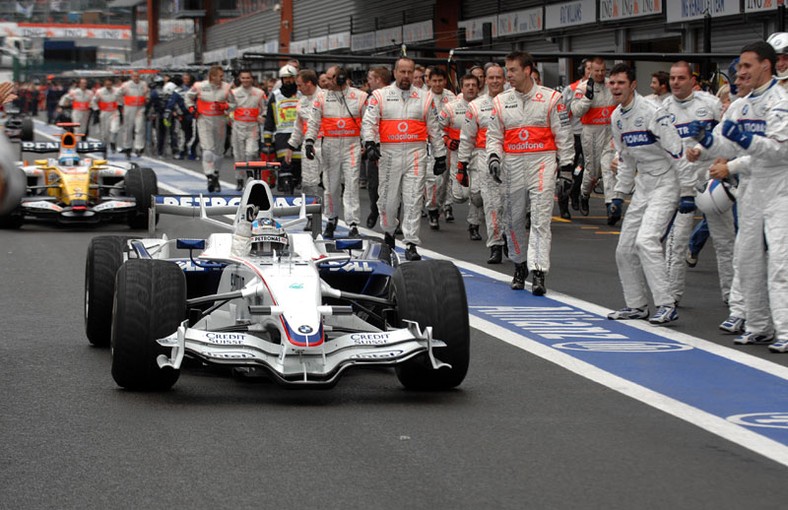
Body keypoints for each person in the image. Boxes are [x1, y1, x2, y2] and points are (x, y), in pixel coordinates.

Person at [686, 41, 788, 350]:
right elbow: (725, 144)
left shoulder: (780, 102)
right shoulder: (742, 105)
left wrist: (745, 138)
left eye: (746, 66)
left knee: (781, 262)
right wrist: (703, 145)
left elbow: (781, 150)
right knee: (746, 259)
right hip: (751, 187)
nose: (740, 72)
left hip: (781, 187)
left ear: (766, 66)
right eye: (740, 67)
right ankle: (758, 326)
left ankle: (785, 329)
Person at [487, 51, 574, 294]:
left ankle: (538, 272)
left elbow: (564, 136)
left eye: (513, 70)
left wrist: (566, 169)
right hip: (512, 163)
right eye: (507, 71)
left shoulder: (552, 99)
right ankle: (519, 265)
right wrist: (493, 158)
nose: (508, 76)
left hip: (542, 162)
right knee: (512, 220)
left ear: (527, 70)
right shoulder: (501, 101)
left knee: (540, 219)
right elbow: (494, 136)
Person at [606, 63, 687, 324]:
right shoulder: (617, 117)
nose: (615, 87)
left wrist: (686, 190)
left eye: (621, 83)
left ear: (632, 85)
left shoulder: (653, 112)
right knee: (624, 249)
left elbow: (677, 151)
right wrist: (618, 195)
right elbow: (626, 159)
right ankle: (637, 306)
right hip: (643, 186)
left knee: (646, 241)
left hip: (667, 181)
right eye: (612, 83)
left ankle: (666, 303)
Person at [361, 57, 447, 261]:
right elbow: (369, 122)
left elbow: (434, 129)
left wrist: (440, 155)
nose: (406, 76)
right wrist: (370, 144)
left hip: (416, 154)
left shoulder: (425, 97)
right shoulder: (380, 96)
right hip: (389, 154)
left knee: (413, 199)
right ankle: (389, 233)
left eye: (410, 72)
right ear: (395, 72)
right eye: (402, 72)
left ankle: (410, 243)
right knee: (388, 201)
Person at [660, 61, 724, 308]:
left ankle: (732, 299)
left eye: (680, 78)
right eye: (673, 78)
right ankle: (671, 296)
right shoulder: (663, 109)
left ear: (692, 81)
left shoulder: (710, 104)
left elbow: (723, 136)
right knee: (677, 242)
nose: (675, 82)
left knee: (724, 241)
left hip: (711, 177)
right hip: (681, 182)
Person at [304, 65, 368, 238]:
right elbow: (313, 122)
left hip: (352, 145)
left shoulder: (360, 97)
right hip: (330, 146)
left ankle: (353, 224)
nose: (327, 82)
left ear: (341, 79)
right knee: (330, 187)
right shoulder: (321, 97)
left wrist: (369, 142)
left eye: (331, 78)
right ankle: (331, 219)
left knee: (352, 184)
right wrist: (309, 141)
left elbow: (368, 122)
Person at [571, 56, 617, 222]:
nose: (599, 73)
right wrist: (587, 98)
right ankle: (584, 194)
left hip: (609, 132)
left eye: (602, 70)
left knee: (608, 168)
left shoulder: (611, 84)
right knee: (592, 172)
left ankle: (611, 207)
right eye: (596, 70)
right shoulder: (583, 87)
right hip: (591, 133)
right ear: (590, 71)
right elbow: (576, 111)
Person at [441, 74, 482, 241]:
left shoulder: (486, 106)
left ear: (478, 87)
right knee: (460, 196)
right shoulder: (450, 108)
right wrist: (447, 140)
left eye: (473, 84)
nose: (471, 87)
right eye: (467, 85)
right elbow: (438, 129)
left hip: (478, 153)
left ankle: (474, 225)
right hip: (458, 154)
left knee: (476, 192)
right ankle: (452, 189)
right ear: (461, 88)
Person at [185, 65, 232, 192]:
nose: (222, 78)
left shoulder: (227, 87)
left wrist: (225, 106)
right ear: (212, 76)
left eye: (223, 76)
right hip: (204, 120)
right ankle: (209, 176)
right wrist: (191, 108)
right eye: (220, 76)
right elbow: (188, 97)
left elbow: (234, 103)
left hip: (220, 121)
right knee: (207, 150)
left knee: (219, 152)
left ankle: (216, 174)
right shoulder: (199, 86)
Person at [424, 67, 456, 230]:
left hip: (448, 143)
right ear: (428, 81)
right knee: (433, 179)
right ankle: (432, 210)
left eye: (440, 80)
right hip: (429, 143)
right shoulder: (423, 97)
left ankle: (445, 205)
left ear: (445, 81)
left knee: (447, 179)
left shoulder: (451, 98)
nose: (437, 84)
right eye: (434, 81)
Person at [287, 69, 323, 206]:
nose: (298, 88)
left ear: (309, 83)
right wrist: (291, 146)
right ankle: (311, 215)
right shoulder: (301, 102)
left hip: (327, 144)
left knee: (332, 184)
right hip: (309, 146)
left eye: (300, 85)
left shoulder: (326, 98)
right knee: (308, 182)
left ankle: (332, 216)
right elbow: (298, 128)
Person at [264, 65, 301, 193]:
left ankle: (295, 180)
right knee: (285, 163)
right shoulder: (275, 96)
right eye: (286, 78)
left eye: (291, 78)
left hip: (299, 133)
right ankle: (286, 187)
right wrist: (267, 139)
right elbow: (269, 118)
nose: (288, 81)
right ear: (282, 79)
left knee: (298, 162)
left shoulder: (302, 94)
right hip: (282, 135)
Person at [362, 66, 391, 228]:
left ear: (379, 80)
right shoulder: (370, 98)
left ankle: (393, 220)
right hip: (373, 147)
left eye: (371, 79)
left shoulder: (395, 96)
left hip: (391, 146)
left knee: (393, 186)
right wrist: (366, 144)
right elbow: (366, 123)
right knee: (373, 185)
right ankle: (374, 210)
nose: (368, 82)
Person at [229, 69, 267, 190]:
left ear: (252, 79)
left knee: (251, 152)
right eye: (243, 78)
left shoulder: (259, 93)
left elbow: (264, 109)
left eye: (248, 78)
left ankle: (250, 176)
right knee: (238, 155)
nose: (245, 80)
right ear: (240, 79)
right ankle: (239, 179)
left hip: (253, 126)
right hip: (238, 126)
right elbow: (228, 108)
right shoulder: (233, 92)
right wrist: (230, 117)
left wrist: (262, 116)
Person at [561, 59, 591, 213]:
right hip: (572, 135)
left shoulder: (604, 88)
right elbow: (562, 113)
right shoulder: (572, 89)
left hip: (589, 136)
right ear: (582, 71)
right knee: (567, 170)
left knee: (586, 170)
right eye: (589, 69)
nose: (593, 73)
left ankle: (576, 192)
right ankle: (564, 205)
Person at [117, 71, 149, 158]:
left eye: (138, 76)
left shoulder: (143, 84)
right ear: (131, 77)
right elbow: (117, 94)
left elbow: (147, 95)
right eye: (134, 76)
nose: (136, 78)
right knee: (128, 128)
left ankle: (139, 147)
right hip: (129, 108)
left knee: (140, 128)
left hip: (140, 108)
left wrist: (147, 101)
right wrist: (121, 103)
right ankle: (127, 146)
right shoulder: (126, 85)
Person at [90, 77, 121, 154]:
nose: (108, 86)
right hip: (104, 113)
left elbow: (121, 99)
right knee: (105, 132)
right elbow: (93, 101)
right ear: (104, 84)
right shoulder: (99, 92)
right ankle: (104, 147)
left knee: (115, 129)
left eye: (110, 84)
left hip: (114, 112)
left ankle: (112, 142)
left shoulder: (117, 91)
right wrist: (96, 110)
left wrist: (121, 106)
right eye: (107, 84)